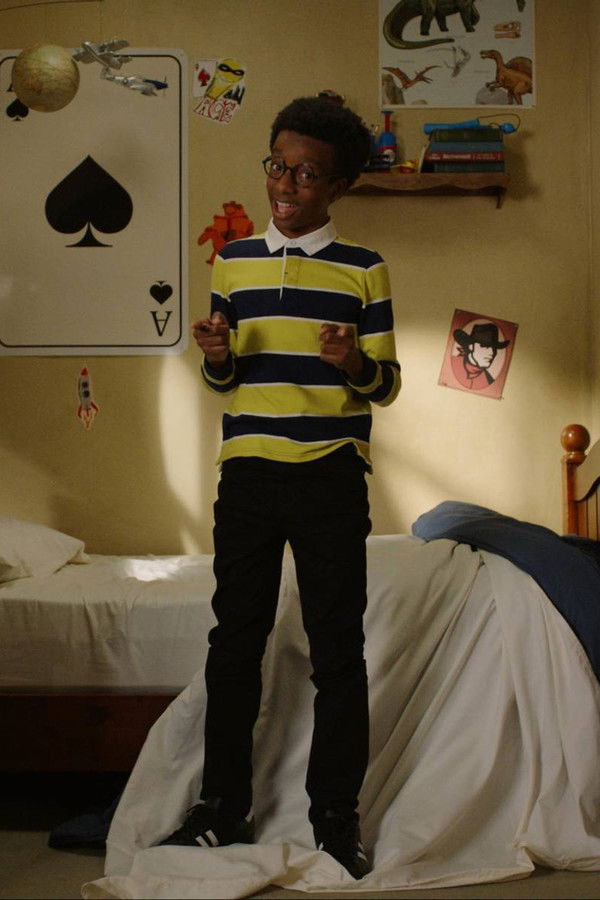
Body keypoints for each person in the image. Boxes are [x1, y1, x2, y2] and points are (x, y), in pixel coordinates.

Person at [160, 96, 401, 879]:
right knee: (235, 643)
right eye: (278, 166)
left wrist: (352, 363)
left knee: (338, 651)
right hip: (250, 473)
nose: (286, 185)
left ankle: (336, 818)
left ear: (338, 185)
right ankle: (220, 807)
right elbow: (226, 380)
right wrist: (216, 355)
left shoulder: (364, 268)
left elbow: (386, 384)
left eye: (306, 174)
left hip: (331, 472)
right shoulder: (233, 261)